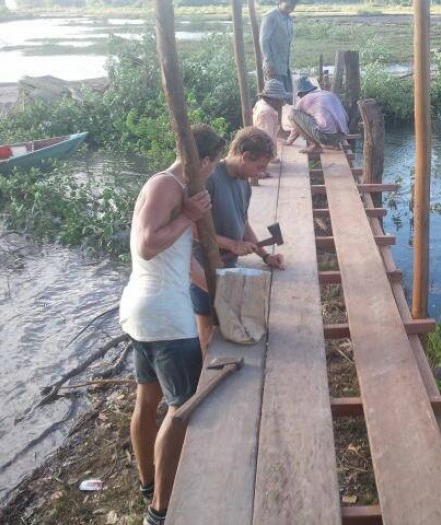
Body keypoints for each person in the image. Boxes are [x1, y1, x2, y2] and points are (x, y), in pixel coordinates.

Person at [119, 124, 226, 525]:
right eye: (213, 163)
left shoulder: (174, 188)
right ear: (204, 160)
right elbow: (148, 244)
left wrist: (219, 291)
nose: (213, 170)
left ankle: (149, 483)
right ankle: (160, 510)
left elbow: (183, 261)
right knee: (182, 409)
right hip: (165, 317)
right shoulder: (166, 186)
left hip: (147, 310)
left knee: (148, 401)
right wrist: (189, 214)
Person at [190, 126, 285, 351]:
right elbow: (192, 230)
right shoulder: (210, 178)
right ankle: (206, 373)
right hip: (201, 268)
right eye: (259, 166)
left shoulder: (244, 183)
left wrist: (264, 256)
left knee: (227, 324)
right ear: (245, 157)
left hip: (228, 265)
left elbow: (243, 222)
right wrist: (232, 244)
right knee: (207, 325)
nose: (261, 173)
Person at [286, 76, 349, 154]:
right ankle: (332, 144)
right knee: (320, 118)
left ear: (300, 93)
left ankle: (315, 145)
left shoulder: (303, 100)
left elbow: (295, 120)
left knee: (292, 113)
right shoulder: (328, 93)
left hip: (326, 137)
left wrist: (289, 141)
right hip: (341, 136)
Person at [253, 78, 292, 177]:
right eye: (280, 99)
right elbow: (264, 141)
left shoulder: (261, 104)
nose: (282, 103)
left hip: (262, 150)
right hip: (259, 150)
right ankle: (258, 167)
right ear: (272, 99)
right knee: (265, 140)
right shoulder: (266, 113)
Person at [259, 0, 298, 95]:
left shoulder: (289, 18)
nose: (290, 9)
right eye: (288, 6)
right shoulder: (270, 16)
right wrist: (268, 62)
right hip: (274, 66)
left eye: (293, 7)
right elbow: (263, 40)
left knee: (288, 96)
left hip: (285, 66)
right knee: (275, 97)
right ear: (280, 2)